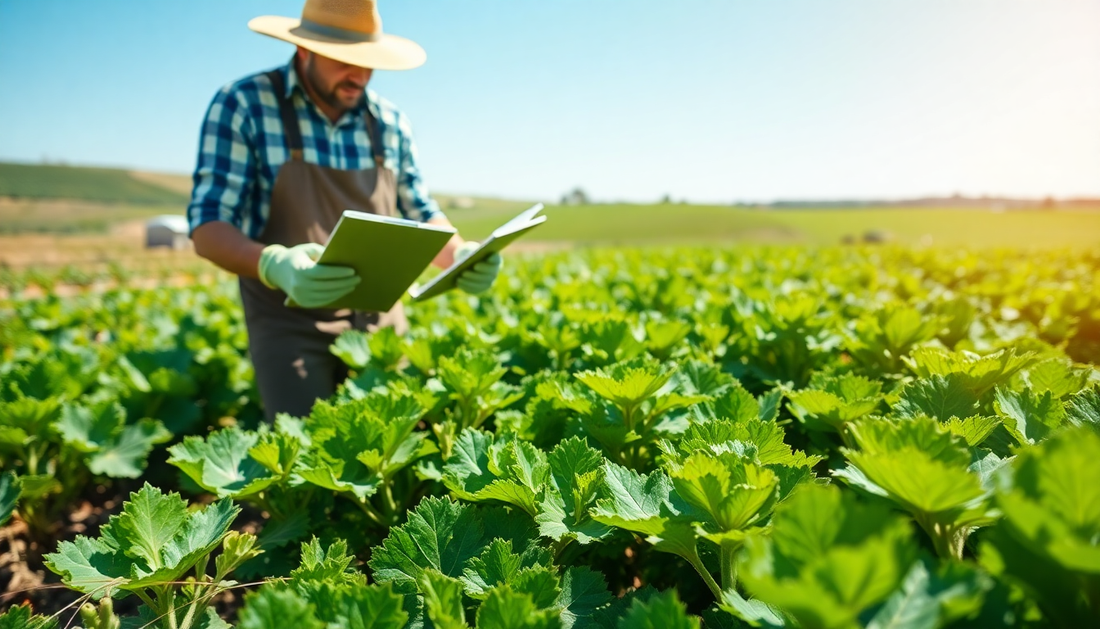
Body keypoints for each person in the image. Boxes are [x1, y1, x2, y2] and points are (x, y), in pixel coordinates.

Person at [186, 0, 501, 420]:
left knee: (392, 456)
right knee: (305, 461)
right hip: (288, 324)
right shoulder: (245, 105)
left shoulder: (389, 123)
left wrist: (459, 255)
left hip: (381, 323)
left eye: (368, 61)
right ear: (304, 50)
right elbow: (208, 226)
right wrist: (275, 264)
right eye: (344, 60)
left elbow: (419, 210)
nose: (360, 75)